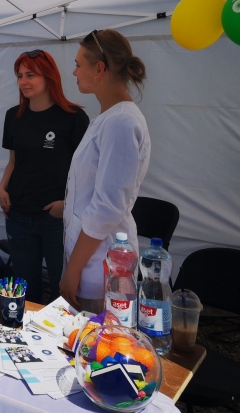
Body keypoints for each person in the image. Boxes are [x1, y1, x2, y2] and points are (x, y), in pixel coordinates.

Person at [60, 29, 150, 312]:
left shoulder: (121, 122)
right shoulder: (108, 118)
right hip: (90, 256)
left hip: (100, 265)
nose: (74, 72)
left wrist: (73, 270)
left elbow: (107, 207)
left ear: (99, 69)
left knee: (96, 335)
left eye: (78, 64)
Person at [0, 49, 89, 304]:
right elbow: (14, 161)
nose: (23, 81)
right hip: (18, 214)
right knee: (26, 288)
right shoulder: (13, 116)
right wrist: (2, 188)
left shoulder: (73, 117)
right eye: (20, 76)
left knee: (64, 288)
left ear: (49, 77)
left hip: (56, 218)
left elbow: (85, 172)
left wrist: (67, 204)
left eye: (30, 75)